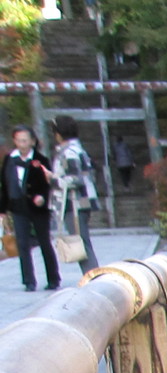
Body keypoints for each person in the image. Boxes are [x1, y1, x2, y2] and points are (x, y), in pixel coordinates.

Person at [3, 126, 59, 292]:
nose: (22, 143)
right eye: (19, 140)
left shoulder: (40, 159)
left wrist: (42, 196)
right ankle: (28, 280)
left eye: (25, 140)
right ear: (15, 141)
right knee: (22, 243)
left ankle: (53, 278)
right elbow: (5, 185)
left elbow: (49, 182)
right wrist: (3, 209)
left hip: (37, 206)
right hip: (18, 206)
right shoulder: (10, 160)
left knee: (44, 242)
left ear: (32, 141)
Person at [50, 115, 99, 276]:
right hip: (81, 202)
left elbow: (75, 178)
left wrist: (52, 179)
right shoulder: (77, 149)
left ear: (58, 133)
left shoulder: (69, 152)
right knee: (82, 242)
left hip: (75, 203)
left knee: (81, 244)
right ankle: (91, 275)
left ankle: (93, 277)